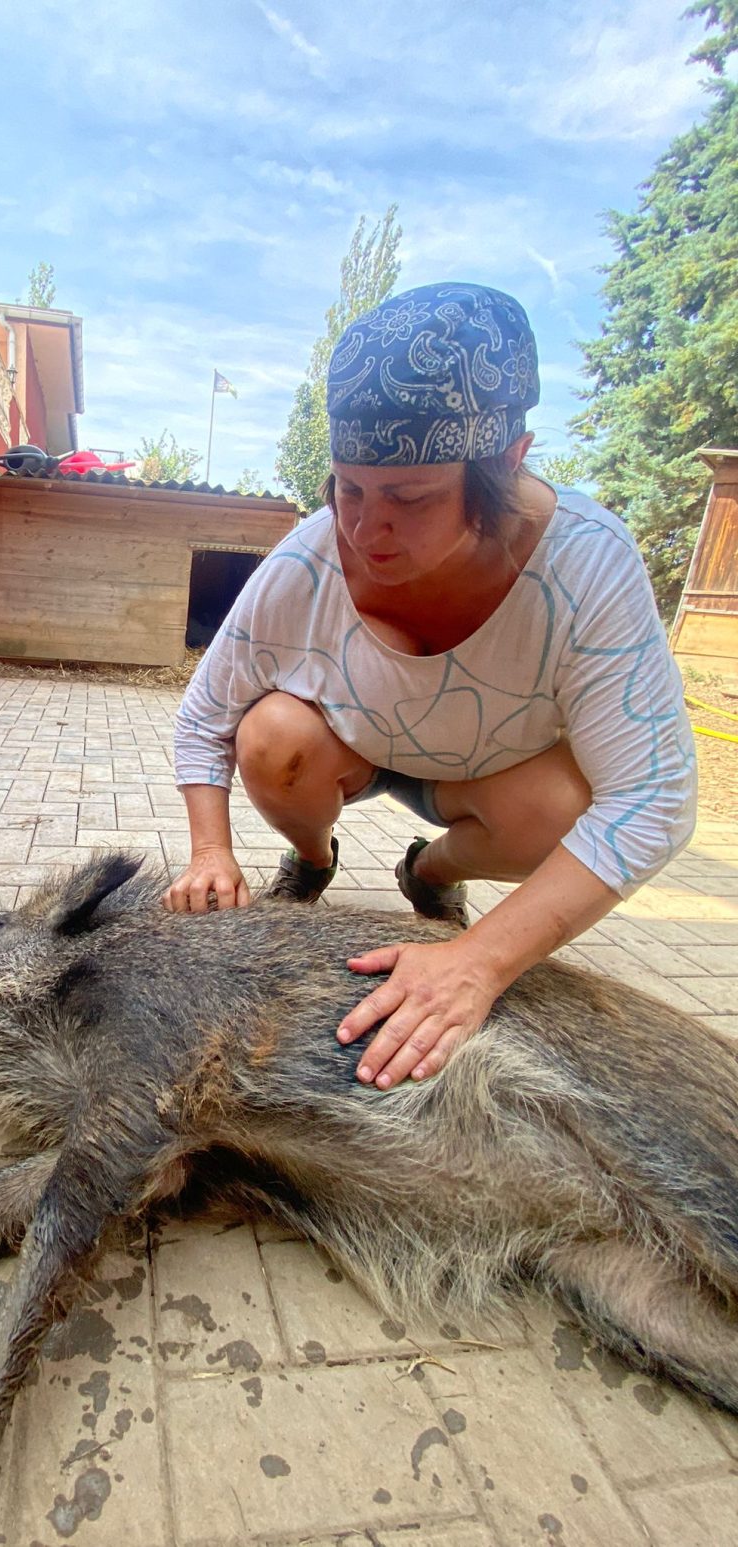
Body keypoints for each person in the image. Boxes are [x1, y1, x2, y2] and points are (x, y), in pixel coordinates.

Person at [163, 281, 697, 1093]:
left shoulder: (589, 566)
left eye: (409, 499)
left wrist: (479, 963)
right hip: (352, 749)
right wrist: (210, 851)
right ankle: (312, 859)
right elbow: (205, 716)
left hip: (489, 774)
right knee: (269, 734)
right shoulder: (307, 561)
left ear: (507, 466)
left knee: (566, 807)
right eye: (348, 488)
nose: (365, 529)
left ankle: (433, 875)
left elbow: (653, 797)